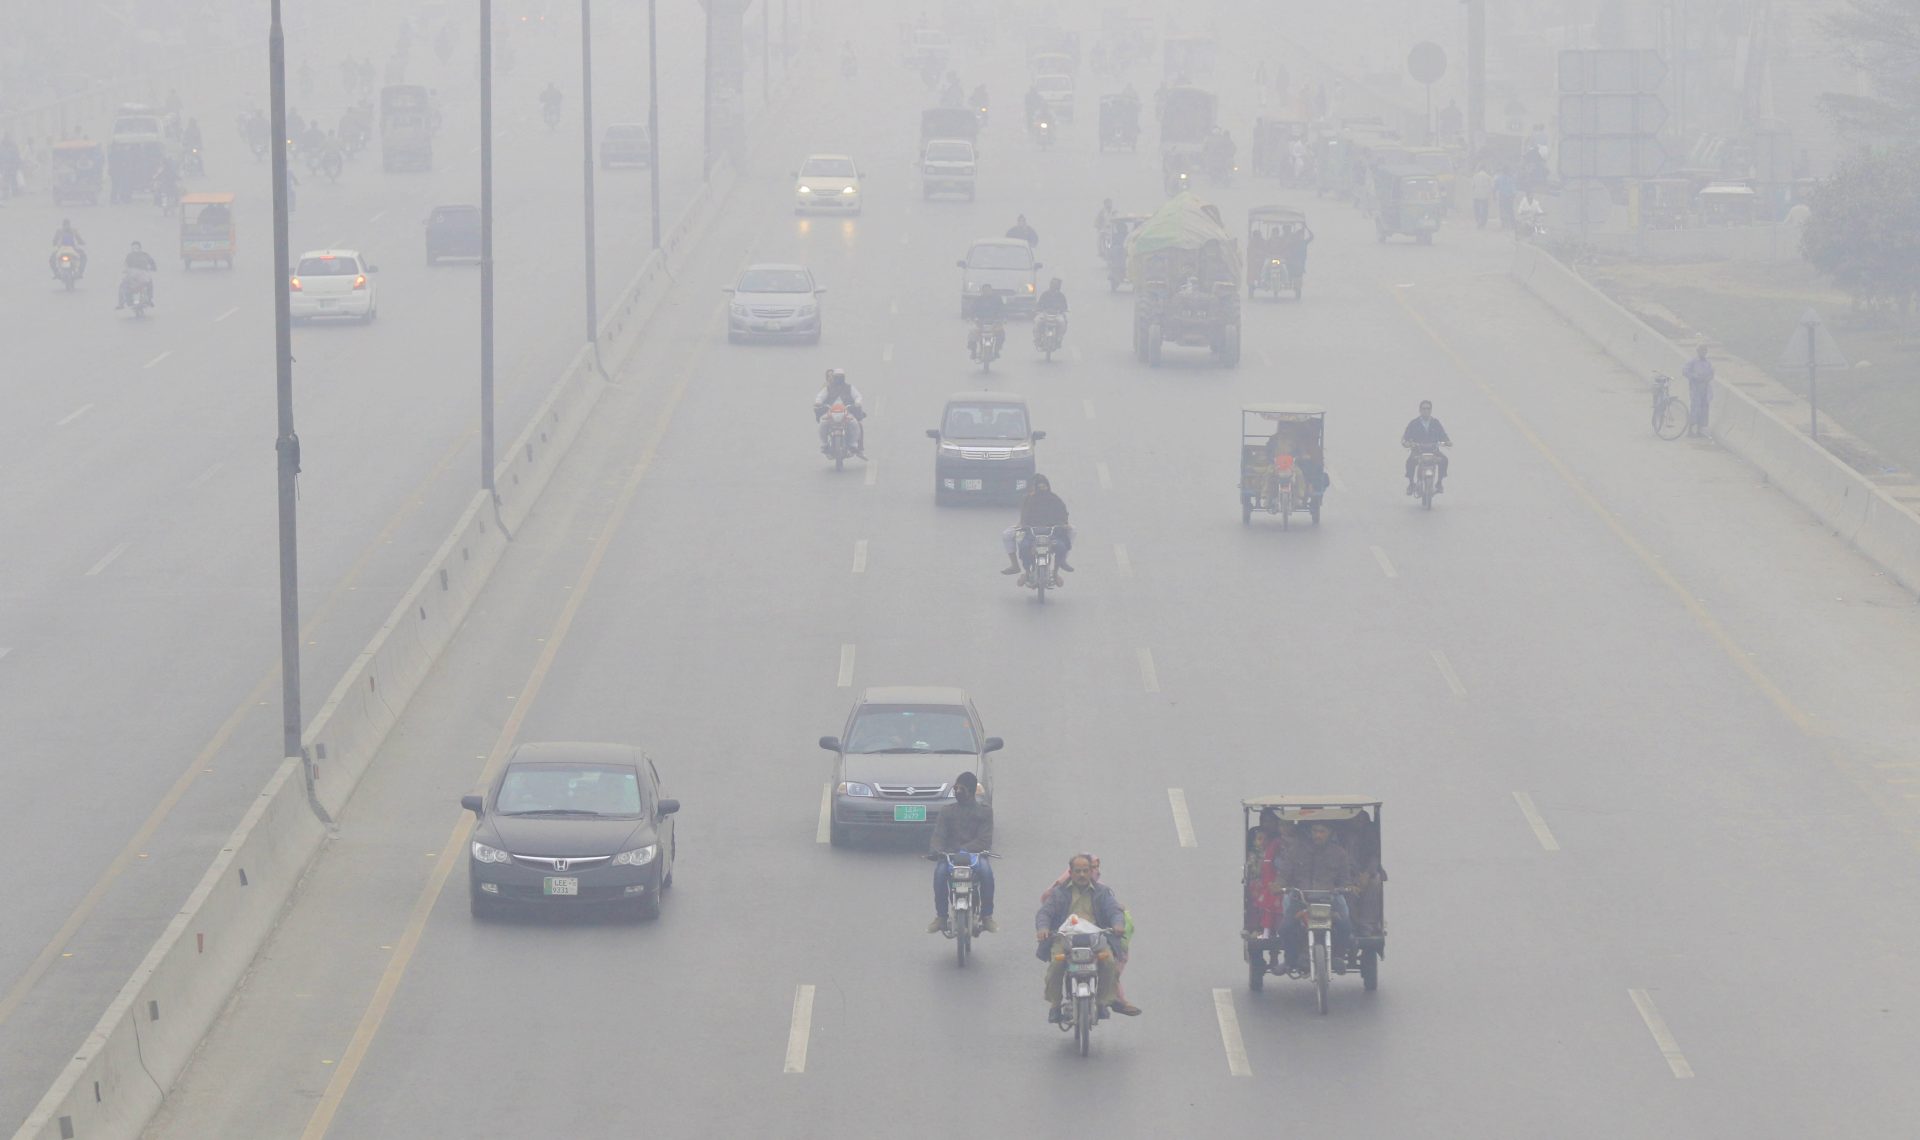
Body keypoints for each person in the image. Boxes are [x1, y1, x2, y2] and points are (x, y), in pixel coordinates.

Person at [1039, 855, 1141, 1015]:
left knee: (1108, 963)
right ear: (1071, 873)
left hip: (1095, 939)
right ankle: (1055, 1005)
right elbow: (1044, 913)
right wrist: (1043, 928)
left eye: (1085, 871)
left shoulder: (1102, 892)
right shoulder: (1059, 893)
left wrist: (1118, 924)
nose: (1082, 875)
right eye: (1078, 871)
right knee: (1056, 965)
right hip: (1065, 939)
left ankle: (1103, 1002)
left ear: (1090, 872)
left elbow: (1114, 910)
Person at [1274, 820, 1357, 971]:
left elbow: (1345, 880)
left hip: (1329, 899)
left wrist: (1348, 887)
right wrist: (1278, 885)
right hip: (1301, 899)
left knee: (1345, 927)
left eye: (1322, 831)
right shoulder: (1295, 851)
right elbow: (1284, 875)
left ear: (1330, 833)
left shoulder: (1339, 853)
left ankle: (1337, 957)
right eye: (1315, 831)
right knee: (1285, 929)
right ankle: (1290, 961)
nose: (1318, 835)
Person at [927, 771, 996, 933]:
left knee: (986, 873)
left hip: (975, 855)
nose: (957, 792)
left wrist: (964, 850)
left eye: (961, 789)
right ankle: (941, 917)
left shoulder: (985, 812)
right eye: (955, 788)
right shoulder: (947, 811)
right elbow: (938, 835)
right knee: (939, 874)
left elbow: (984, 840)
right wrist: (936, 850)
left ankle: (987, 916)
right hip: (949, 856)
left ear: (971, 792)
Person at [1000, 473, 1073, 582]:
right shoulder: (1029, 499)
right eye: (1039, 488)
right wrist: (1023, 525)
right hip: (1032, 532)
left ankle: (1056, 571)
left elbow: (1062, 513)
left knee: (1062, 547)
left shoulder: (1054, 499)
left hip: (1051, 532)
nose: (1042, 490)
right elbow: (1024, 516)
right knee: (1024, 547)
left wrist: (1064, 524)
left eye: (1044, 487)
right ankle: (1026, 571)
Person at [812, 368, 866, 455]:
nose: (839, 379)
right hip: (830, 411)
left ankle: (853, 445)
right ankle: (824, 444)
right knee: (823, 422)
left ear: (844, 378)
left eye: (840, 377)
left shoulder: (849, 387)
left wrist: (857, 402)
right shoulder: (827, 388)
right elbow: (820, 397)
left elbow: (858, 396)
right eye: (837, 377)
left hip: (847, 411)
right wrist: (818, 402)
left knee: (854, 423)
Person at [1401, 400, 1451, 493]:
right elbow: (1406, 437)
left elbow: (1443, 435)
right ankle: (1411, 484)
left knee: (1444, 460)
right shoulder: (1414, 423)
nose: (1426, 410)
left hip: (1433, 451)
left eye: (1428, 408)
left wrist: (1447, 441)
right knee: (1410, 462)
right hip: (1418, 451)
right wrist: (1406, 443)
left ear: (1431, 410)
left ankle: (1439, 483)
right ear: (1420, 410)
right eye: (1424, 408)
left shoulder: (1435, 423)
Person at [1683, 345, 1714, 436]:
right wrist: (1695, 377)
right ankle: (1690, 430)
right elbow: (1685, 371)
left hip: (1705, 388)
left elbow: (1712, 374)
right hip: (1695, 388)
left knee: (1704, 409)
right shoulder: (1692, 361)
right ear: (1698, 351)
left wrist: (1708, 378)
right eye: (1701, 351)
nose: (1703, 353)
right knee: (1695, 408)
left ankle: (1700, 430)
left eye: (1705, 351)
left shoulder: (1708, 363)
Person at [117, 241, 158, 309]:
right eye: (133, 248)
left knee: (150, 282)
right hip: (132, 276)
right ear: (131, 249)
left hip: (143, 276)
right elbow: (125, 265)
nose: (135, 249)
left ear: (140, 248)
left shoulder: (145, 255)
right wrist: (125, 270)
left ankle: (149, 299)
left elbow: (152, 262)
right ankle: (121, 304)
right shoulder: (129, 256)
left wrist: (153, 268)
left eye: (137, 248)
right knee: (122, 285)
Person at [968, 285, 1005, 358]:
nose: (987, 292)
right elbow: (972, 310)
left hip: (994, 323)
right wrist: (972, 317)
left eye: (988, 290)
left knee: (1001, 333)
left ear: (991, 291)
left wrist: (1001, 318)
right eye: (985, 290)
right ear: (982, 291)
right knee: (972, 333)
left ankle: (997, 350)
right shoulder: (978, 300)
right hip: (980, 323)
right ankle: (973, 351)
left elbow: (1002, 309)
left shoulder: (997, 299)